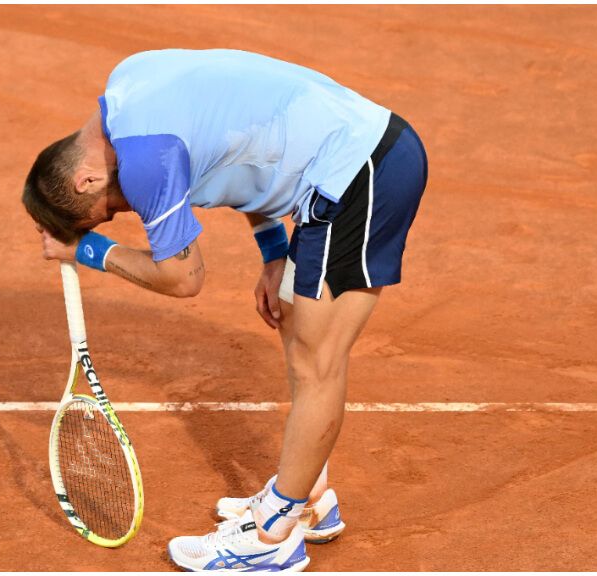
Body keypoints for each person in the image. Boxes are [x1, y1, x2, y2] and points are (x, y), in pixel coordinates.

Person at [23, 49, 427, 572]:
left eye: (105, 213)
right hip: (345, 168)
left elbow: (184, 278)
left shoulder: (145, 161)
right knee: (298, 331)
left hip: (360, 174)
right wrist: (273, 250)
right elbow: (240, 143)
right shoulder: (128, 90)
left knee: (316, 363)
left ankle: (272, 535)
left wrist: (88, 251)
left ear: (85, 181)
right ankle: (309, 499)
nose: (121, 212)